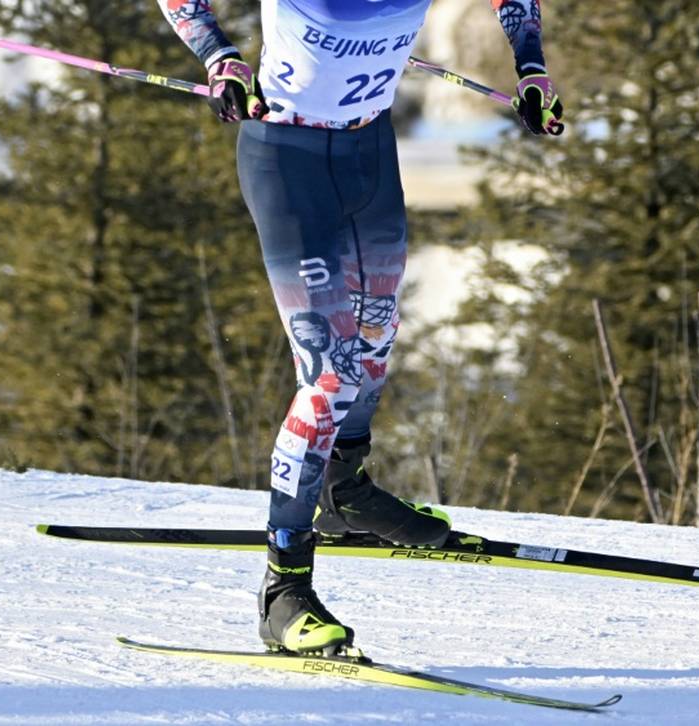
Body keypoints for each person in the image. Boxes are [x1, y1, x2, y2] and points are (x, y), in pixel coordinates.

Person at [158, 0, 565, 655]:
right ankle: (283, 592)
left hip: (368, 157)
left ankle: (343, 492)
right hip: (288, 162)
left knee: (375, 342)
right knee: (330, 373)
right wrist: (220, 56)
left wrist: (532, 67)